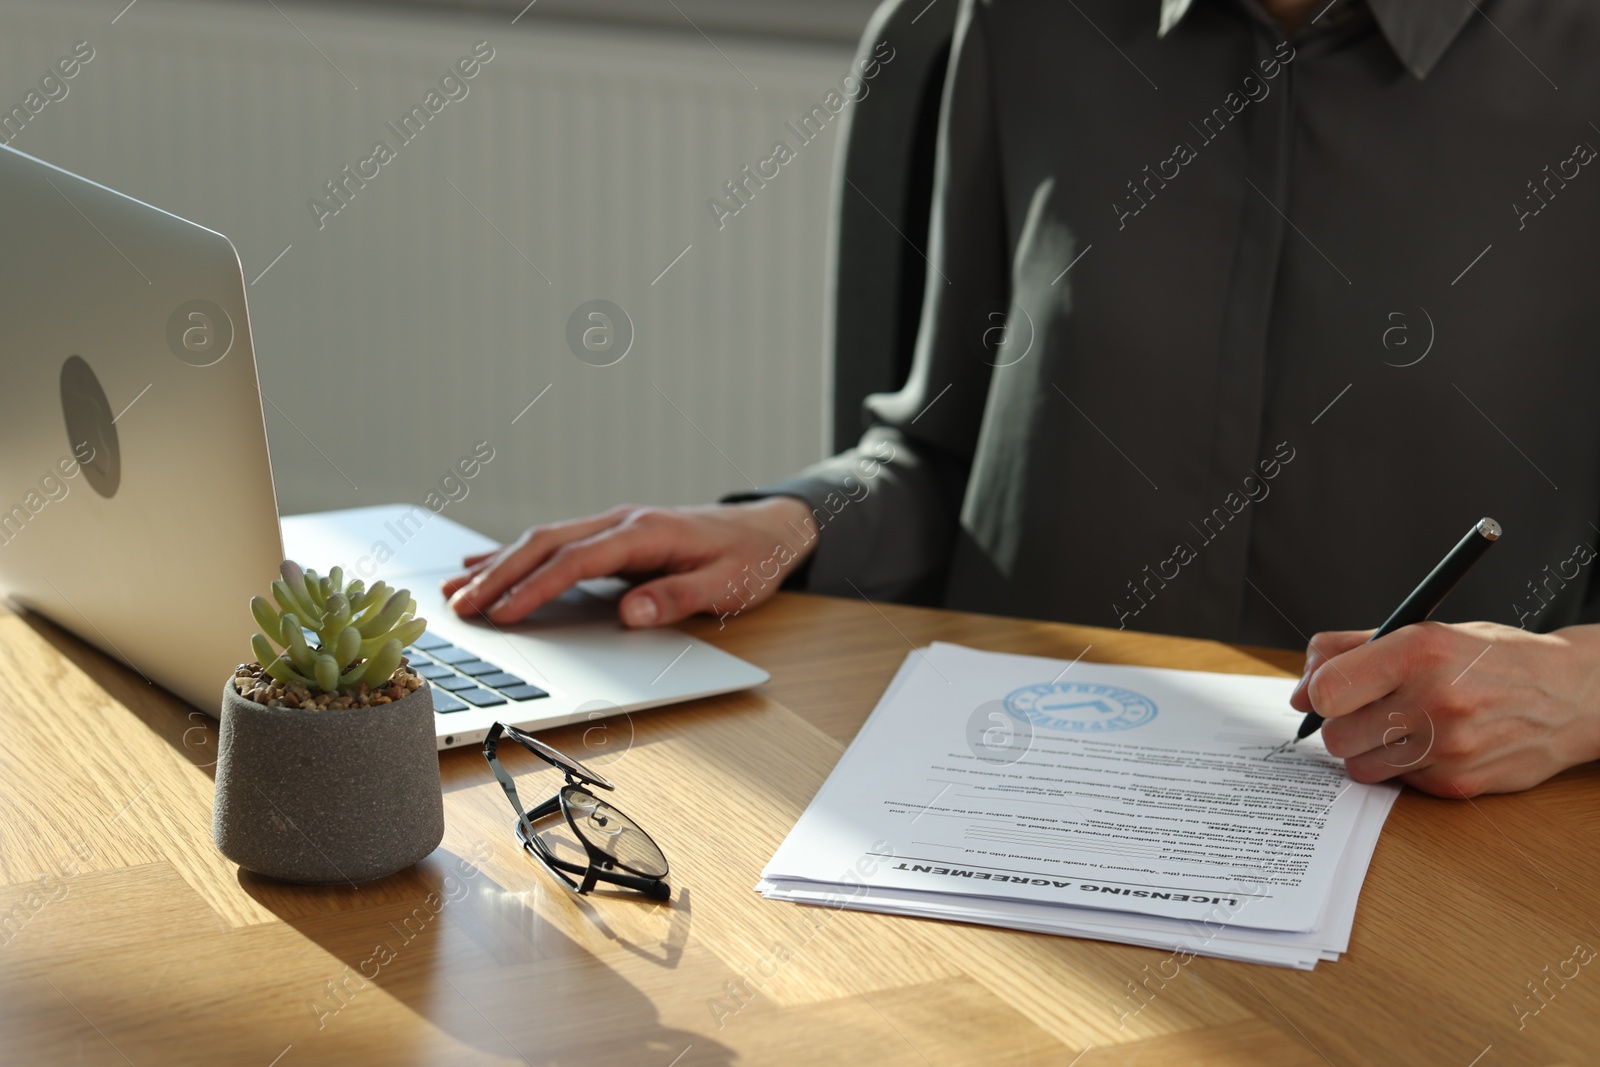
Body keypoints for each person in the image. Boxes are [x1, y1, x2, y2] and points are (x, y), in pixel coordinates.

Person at [446, 0, 1600, 797]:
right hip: (1006, 809)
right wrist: (790, 522)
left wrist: (1579, 690)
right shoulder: (1019, 23)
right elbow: (944, 454)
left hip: (1460, 869)